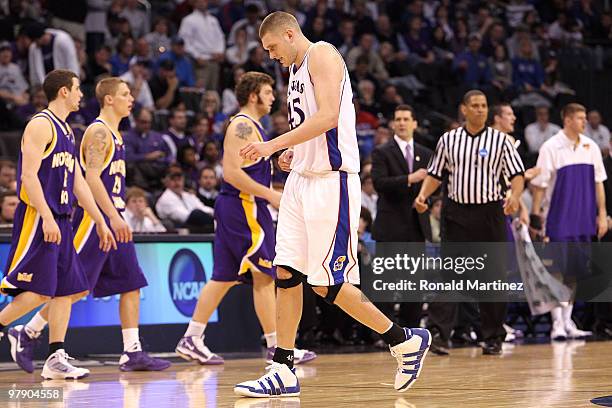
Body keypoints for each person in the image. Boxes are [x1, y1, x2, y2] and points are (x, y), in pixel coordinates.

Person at [234, 12, 431, 398]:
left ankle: (404, 339)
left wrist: (271, 144)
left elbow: (326, 117)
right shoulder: (293, 70)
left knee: (327, 284)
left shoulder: (323, 54)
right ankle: (283, 368)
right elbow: (310, 126)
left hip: (332, 182)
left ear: (290, 34)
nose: (272, 56)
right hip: (301, 180)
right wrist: (289, 153)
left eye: (273, 47)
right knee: (286, 273)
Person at [10, 77, 171, 373]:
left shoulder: (89, 132)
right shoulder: (96, 131)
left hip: (110, 218)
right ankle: (28, 332)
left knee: (130, 283)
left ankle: (131, 351)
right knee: (68, 289)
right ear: (109, 99)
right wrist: (105, 217)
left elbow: (79, 179)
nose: (131, 99)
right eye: (125, 94)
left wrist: (110, 217)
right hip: (86, 219)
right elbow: (89, 180)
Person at [176, 71, 316, 367]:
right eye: (267, 92)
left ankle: (192, 337)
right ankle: (278, 348)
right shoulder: (242, 125)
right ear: (253, 95)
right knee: (265, 275)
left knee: (224, 276)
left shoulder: (252, 127)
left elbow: (247, 170)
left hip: (236, 207)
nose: (273, 97)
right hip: (244, 207)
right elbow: (231, 173)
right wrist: (270, 195)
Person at [0, 69, 115, 379]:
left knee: (67, 291)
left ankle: (55, 358)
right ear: (64, 91)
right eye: (77, 89)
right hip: (40, 217)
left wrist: (98, 220)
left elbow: (78, 181)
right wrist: (47, 216)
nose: (81, 95)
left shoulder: (67, 130)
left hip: (63, 219)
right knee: (39, 292)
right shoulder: (40, 125)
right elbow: (27, 177)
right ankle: (7, 330)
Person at [415, 90, 525, 356]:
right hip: (457, 214)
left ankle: (493, 337)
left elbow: (517, 174)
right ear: (463, 109)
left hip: (490, 214)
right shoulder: (448, 140)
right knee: (450, 276)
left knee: (492, 278)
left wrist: (516, 198)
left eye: (484, 106)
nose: (480, 110)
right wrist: (422, 195)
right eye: (474, 105)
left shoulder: (501, 141)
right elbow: (435, 174)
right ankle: (439, 335)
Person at [530, 103, 607, 340]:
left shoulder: (590, 146)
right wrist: (535, 217)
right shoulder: (550, 147)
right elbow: (540, 186)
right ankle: (557, 324)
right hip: (558, 218)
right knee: (557, 273)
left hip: (583, 218)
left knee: (574, 273)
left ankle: (567, 320)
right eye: (580, 118)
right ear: (567, 120)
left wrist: (602, 214)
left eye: (585, 117)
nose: (584, 122)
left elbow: (598, 183)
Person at [371, 105, 432, 329]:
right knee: (386, 285)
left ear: (415, 123)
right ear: (393, 124)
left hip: (416, 227)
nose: (402, 123)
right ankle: (384, 333)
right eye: (398, 119)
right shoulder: (382, 151)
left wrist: (427, 202)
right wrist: (409, 178)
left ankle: (412, 331)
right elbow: (379, 184)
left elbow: (433, 187)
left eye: (406, 119)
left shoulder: (426, 153)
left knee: (414, 285)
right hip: (390, 228)